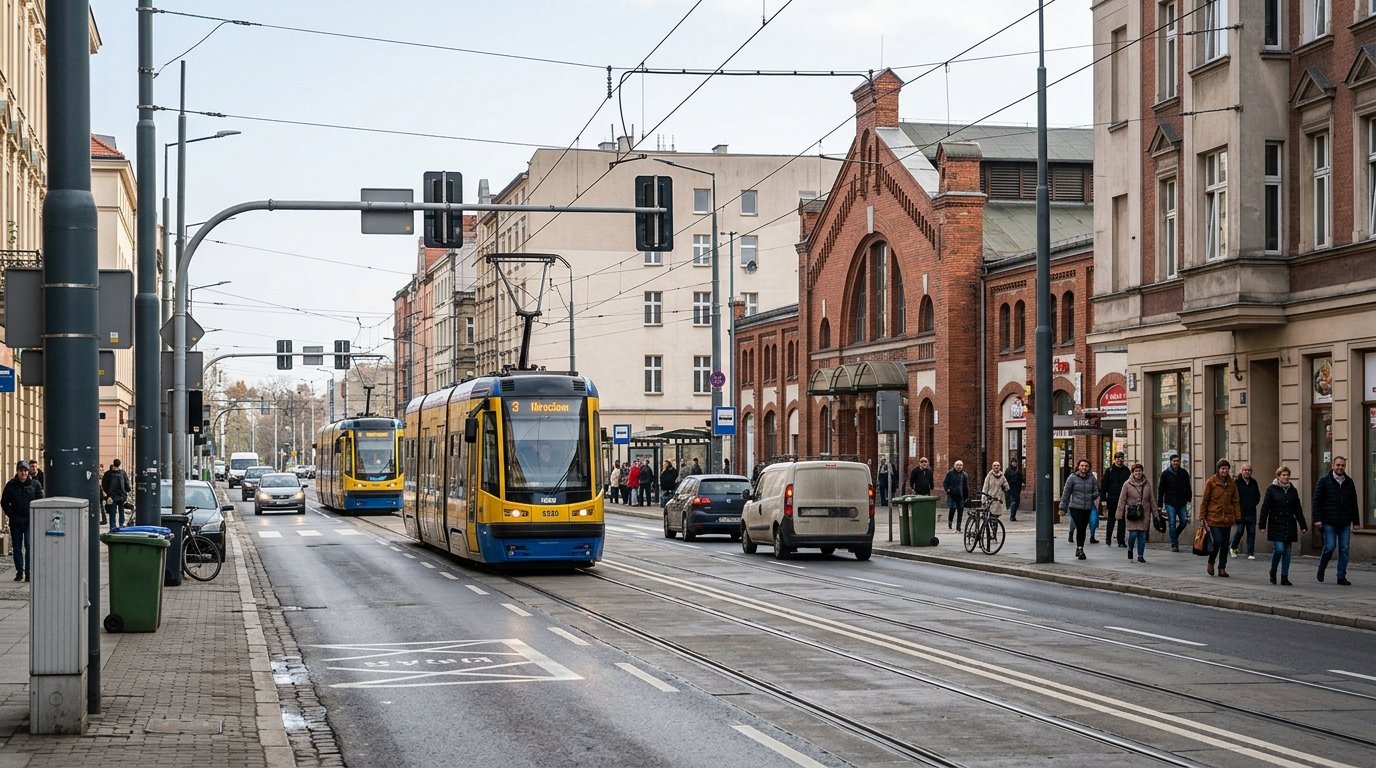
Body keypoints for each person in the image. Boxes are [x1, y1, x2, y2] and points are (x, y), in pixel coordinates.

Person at [1312, 455, 1362, 585]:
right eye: (1338, 465)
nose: (1340, 467)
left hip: (1345, 521)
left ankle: (1341, 576)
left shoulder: (1349, 482)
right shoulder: (1324, 481)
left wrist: (1356, 522)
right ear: (1333, 466)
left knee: (1344, 549)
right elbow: (1316, 502)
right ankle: (1322, 567)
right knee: (1329, 546)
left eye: (1342, 465)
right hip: (1329, 521)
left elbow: (1353, 503)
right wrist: (1317, 519)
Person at [1258, 466, 1307, 586]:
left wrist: (1303, 525)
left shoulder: (1292, 491)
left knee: (1287, 552)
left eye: (1287, 475)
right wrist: (1262, 524)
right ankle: (1273, 570)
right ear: (1278, 477)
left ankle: (1284, 576)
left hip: (1289, 524)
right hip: (1276, 523)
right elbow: (1265, 508)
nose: (1286, 477)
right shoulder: (1272, 490)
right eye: (1283, 475)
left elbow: (1298, 509)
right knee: (1279, 549)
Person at [2, 461, 43, 582]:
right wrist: (11, 514)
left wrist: (36, 514)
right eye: (21, 471)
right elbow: (4, 502)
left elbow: (40, 501)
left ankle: (29, 572)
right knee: (17, 547)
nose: (23, 473)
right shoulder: (11, 485)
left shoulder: (35, 484)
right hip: (16, 521)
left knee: (29, 545)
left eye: (25, 470)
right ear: (17, 471)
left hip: (30, 520)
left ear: (28, 471)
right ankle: (20, 571)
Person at [1199, 459, 1241, 577]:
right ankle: (1211, 561)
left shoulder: (1232, 483)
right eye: (1222, 468)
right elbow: (1205, 501)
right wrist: (1202, 517)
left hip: (1227, 518)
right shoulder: (1211, 482)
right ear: (1218, 469)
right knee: (1217, 541)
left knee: (1225, 544)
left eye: (1227, 468)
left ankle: (1222, 568)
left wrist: (1237, 515)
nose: (1225, 470)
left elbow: (1236, 500)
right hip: (1213, 517)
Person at [1116, 462, 1155, 563]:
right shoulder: (1127, 484)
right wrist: (1119, 513)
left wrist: (1155, 513)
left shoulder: (1147, 483)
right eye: (1136, 471)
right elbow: (1122, 499)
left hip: (1144, 513)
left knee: (1142, 535)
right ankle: (1130, 549)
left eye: (1140, 471)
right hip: (1131, 513)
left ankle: (1140, 555)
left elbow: (1151, 498)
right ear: (1132, 473)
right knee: (1132, 534)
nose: (1138, 473)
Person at [1060, 459, 1099, 560]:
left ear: (1089, 467)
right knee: (1080, 526)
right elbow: (1066, 493)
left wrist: (1092, 496)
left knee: (1083, 529)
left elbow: (1096, 490)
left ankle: (1079, 548)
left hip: (1087, 507)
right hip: (1075, 507)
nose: (1084, 468)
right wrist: (1062, 508)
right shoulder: (1072, 478)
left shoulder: (1091, 478)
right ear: (1078, 467)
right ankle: (1080, 549)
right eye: (1082, 466)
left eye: (1086, 466)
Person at [1157, 453, 1192, 552]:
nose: (1176, 463)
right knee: (1172, 522)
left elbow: (1188, 486)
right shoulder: (1165, 474)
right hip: (1170, 502)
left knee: (1184, 521)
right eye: (1174, 461)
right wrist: (1159, 505)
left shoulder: (1184, 473)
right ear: (1170, 462)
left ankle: (1174, 535)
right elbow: (1161, 490)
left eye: (1177, 461)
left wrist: (1189, 499)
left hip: (1182, 502)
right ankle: (1174, 544)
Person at [1230, 463, 1261, 560]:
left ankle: (1250, 552)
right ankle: (1233, 547)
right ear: (1241, 471)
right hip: (1240, 511)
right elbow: (1233, 497)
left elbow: (1257, 496)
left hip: (1251, 511)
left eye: (1249, 470)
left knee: (1251, 532)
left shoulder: (1253, 482)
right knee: (1240, 531)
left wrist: (1253, 503)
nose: (1247, 472)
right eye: (1245, 470)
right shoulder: (1237, 482)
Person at [1101, 452, 1130, 548]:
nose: (1120, 459)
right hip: (1112, 499)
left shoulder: (1127, 471)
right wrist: (1103, 500)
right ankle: (1108, 538)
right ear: (1115, 459)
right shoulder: (1109, 470)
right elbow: (1104, 486)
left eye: (1121, 458)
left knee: (1122, 520)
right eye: (1118, 458)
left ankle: (1121, 541)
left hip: (1123, 499)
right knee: (1111, 519)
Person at [101, 458, 131, 529]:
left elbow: (104, 484)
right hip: (121, 495)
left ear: (113, 463)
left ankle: (112, 527)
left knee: (112, 512)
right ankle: (121, 525)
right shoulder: (123, 473)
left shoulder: (108, 473)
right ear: (119, 465)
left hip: (112, 496)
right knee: (121, 510)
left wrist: (108, 494)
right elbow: (127, 484)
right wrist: (128, 490)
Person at [942, 460, 969, 531]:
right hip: (952, 495)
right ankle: (950, 522)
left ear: (962, 466)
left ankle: (958, 527)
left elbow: (966, 487)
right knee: (952, 509)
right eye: (958, 465)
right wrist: (947, 490)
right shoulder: (950, 473)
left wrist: (966, 496)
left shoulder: (964, 475)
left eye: (961, 465)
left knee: (960, 511)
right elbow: (945, 482)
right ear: (954, 466)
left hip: (961, 496)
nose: (959, 467)